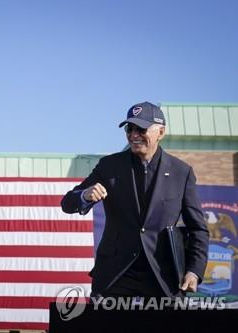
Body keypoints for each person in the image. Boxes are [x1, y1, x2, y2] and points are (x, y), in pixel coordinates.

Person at [61, 101, 209, 298]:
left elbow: (198, 228)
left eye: (141, 129)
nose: (133, 135)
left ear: (161, 133)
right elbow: (67, 203)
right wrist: (85, 195)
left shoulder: (181, 172)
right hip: (116, 275)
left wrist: (194, 271)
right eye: (129, 129)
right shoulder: (109, 166)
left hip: (163, 276)